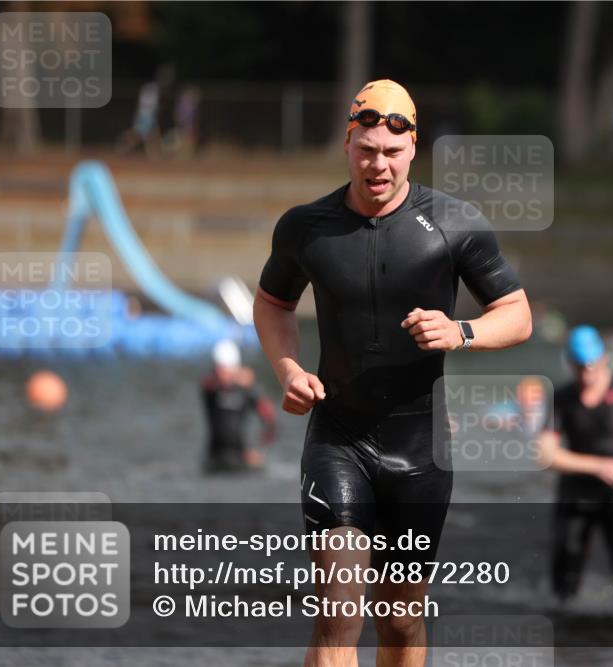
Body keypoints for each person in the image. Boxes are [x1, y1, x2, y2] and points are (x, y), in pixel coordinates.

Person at [253, 79, 532, 667]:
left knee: (400, 620)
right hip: (339, 438)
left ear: (414, 149)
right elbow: (273, 303)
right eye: (366, 149)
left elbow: (518, 314)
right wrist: (287, 369)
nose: (378, 165)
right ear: (348, 143)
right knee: (338, 610)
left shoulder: (456, 225)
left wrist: (461, 332)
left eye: (392, 152)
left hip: (420, 450)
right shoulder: (307, 227)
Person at [537, 325, 613, 600]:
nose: (586, 373)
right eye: (580, 367)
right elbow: (546, 453)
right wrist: (598, 466)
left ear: (604, 358)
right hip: (576, 495)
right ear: (570, 363)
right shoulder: (562, 398)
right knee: (565, 581)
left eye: (591, 365)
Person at [201, 339, 276, 473]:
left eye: (224, 368)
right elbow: (207, 383)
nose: (221, 372)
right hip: (214, 458)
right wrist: (235, 377)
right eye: (218, 368)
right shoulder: (211, 390)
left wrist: (258, 450)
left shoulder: (246, 390)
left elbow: (269, 418)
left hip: (241, 458)